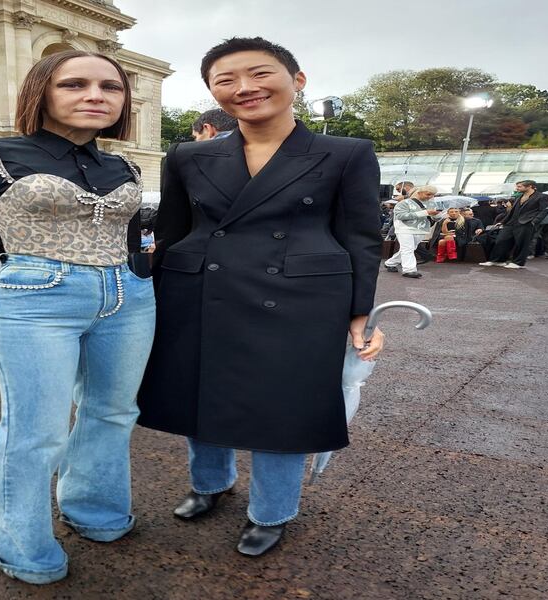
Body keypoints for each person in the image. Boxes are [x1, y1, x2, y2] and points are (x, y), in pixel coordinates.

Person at [137, 37, 384, 557]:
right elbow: (176, 232)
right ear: (212, 92)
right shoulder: (187, 155)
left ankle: (272, 511)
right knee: (198, 392)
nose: (244, 88)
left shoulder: (346, 152)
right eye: (225, 80)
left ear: (296, 80)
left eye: (259, 73)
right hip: (199, 289)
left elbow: (360, 235)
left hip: (302, 297)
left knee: (283, 405)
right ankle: (210, 483)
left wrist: (361, 311)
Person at [0, 50, 155, 585]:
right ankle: (21, 545)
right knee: (34, 428)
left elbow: (130, 235)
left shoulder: (122, 165)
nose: (95, 96)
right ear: (43, 90)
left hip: (127, 293)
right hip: (35, 292)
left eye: (111, 87)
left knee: (113, 411)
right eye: (75, 84)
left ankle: (96, 512)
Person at [479, 180, 548, 269]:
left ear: (530, 186)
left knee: (522, 243)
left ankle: (518, 263)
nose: (517, 188)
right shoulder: (519, 196)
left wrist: (534, 221)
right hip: (511, 222)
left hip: (527, 223)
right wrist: (503, 221)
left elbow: (544, 210)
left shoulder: (543, 197)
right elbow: (513, 211)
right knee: (501, 240)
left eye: (519, 186)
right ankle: (498, 260)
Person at [384, 185, 439, 278]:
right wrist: (426, 213)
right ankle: (409, 270)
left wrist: (438, 216)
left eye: (433, 195)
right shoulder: (403, 203)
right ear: (419, 192)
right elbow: (401, 216)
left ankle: (390, 263)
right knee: (408, 249)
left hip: (421, 230)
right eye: (428, 194)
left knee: (408, 249)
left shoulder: (432, 204)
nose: (430, 196)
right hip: (404, 229)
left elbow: (433, 218)